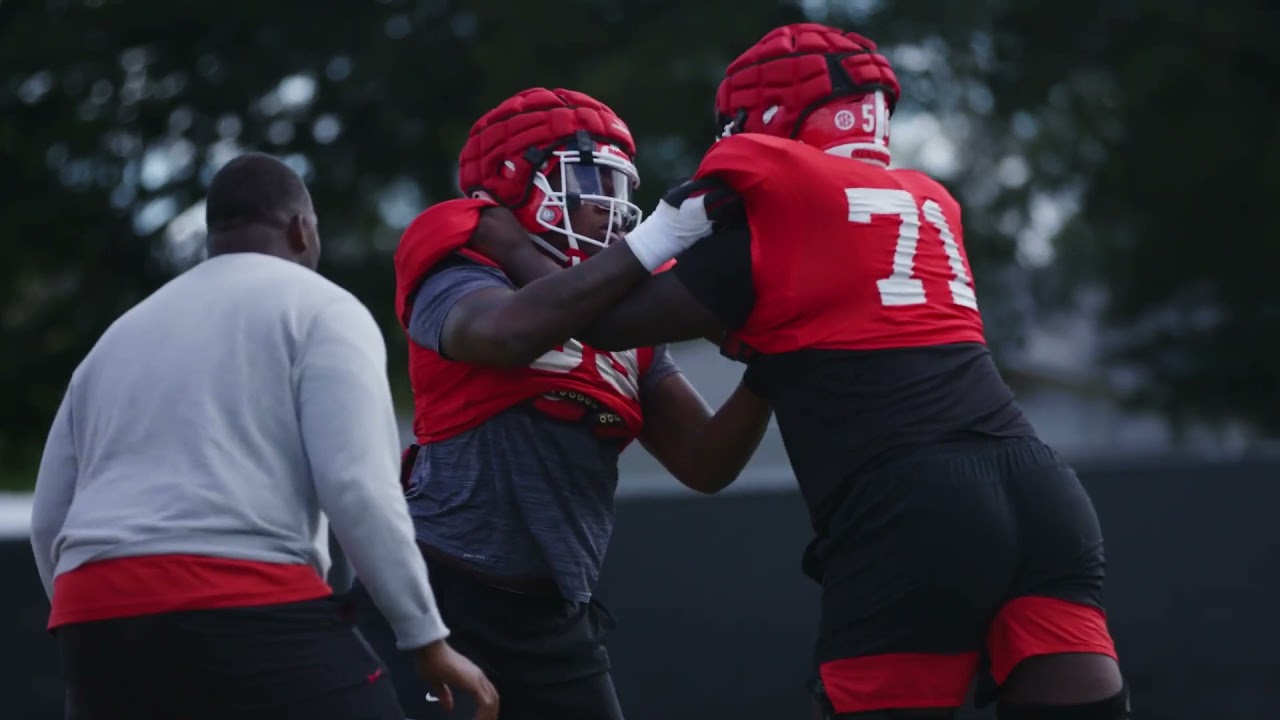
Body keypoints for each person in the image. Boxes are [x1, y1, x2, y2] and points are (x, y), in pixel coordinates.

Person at [461, 25, 1131, 720]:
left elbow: (593, 322)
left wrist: (506, 239)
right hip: (1043, 493)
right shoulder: (927, 201)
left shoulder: (786, 211)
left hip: (915, 504)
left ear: (769, 118)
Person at [347, 87, 773, 720]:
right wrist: (649, 246)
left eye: (616, 179)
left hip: (555, 617)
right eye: (587, 174)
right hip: (439, 594)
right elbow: (507, 333)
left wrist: (774, 364)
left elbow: (704, 462)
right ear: (514, 183)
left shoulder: (624, 318)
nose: (610, 200)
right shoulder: (461, 273)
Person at [29, 152, 498, 720]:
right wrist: (425, 637)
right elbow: (356, 487)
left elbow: (50, 517)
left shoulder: (116, 338)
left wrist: (110, 623)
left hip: (93, 620)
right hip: (243, 598)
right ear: (302, 229)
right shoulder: (323, 309)